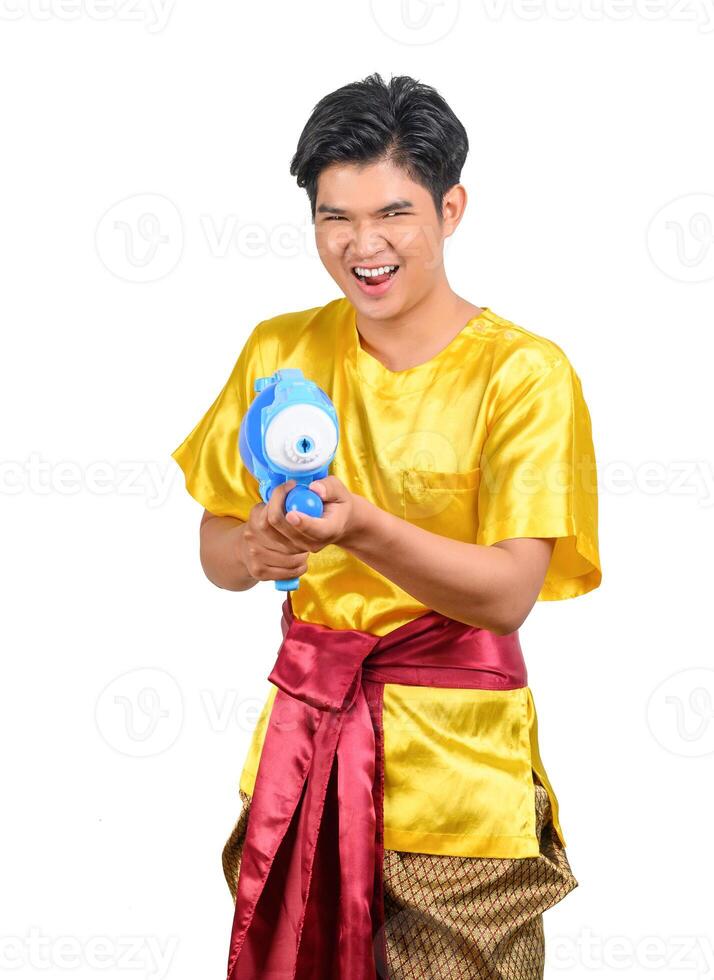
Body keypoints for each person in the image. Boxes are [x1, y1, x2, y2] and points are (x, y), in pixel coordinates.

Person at [171, 72, 602, 980]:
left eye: (393, 214)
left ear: (451, 208)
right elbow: (216, 546)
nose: (363, 246)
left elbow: (509, 592)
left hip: (461, 773)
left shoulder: (524, 375)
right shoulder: (280, 349)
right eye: (335, 218)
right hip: (301, 749)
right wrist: (259, 546)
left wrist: (361, 529)